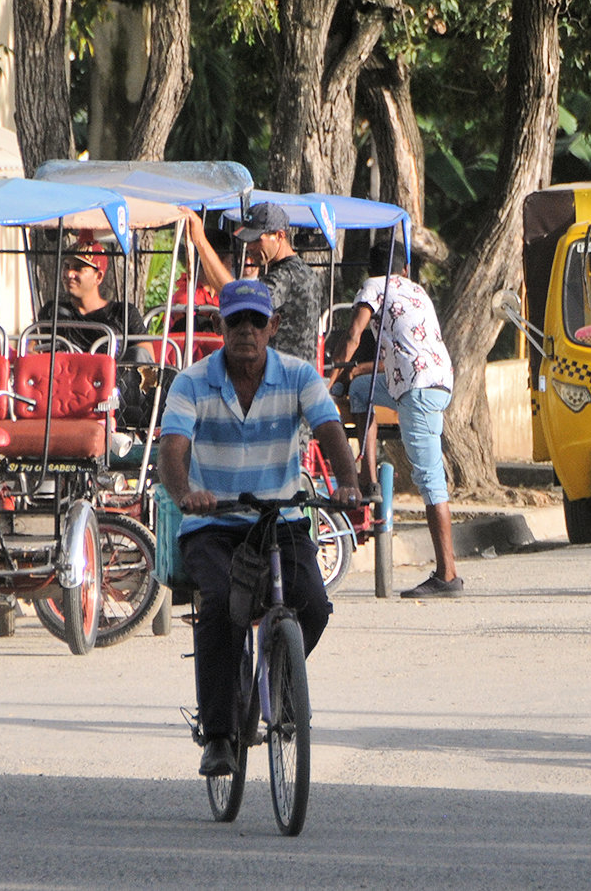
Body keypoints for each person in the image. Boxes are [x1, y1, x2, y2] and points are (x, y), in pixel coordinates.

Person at [157, 279, 361, 778]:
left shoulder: (298, 376)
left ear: (272, 327)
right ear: (218, 327)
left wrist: (351, 483)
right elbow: (172, 449)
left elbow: (330, 428)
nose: (245, 330)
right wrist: (186, 493)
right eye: (235, 321)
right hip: (214, 522)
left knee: (312, 605)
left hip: (281, 520)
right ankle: (221, 734)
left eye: (255, 321)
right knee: (225, 606)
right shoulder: (192, 382)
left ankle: (282, 679)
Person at [336, 237, 461, 598]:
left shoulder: (374, 287)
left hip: (417, 389)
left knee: (429, 479)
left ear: (370, 271)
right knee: (361, 392)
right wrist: (355, 374)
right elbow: (402, 352)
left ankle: (448, 574)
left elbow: (354, 334)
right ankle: (368, 473)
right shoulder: (416, 291)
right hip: (436, 379)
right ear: (405, 268)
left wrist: (329, 378)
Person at [183, 203, 324, 366]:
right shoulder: (300, 270)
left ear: (279, 235)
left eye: (257, 240)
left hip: (286, 380)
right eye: (247, 240)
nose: (250, 247)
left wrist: (201, 241)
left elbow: (236, 296)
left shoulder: (286, 276)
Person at [38, 244, 146, 353]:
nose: (69, 274)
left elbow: (144, 357)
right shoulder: (53, 311)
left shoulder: (123, 313)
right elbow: (31, 349)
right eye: (67, 266)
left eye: (78, 268)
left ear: (98, 277)